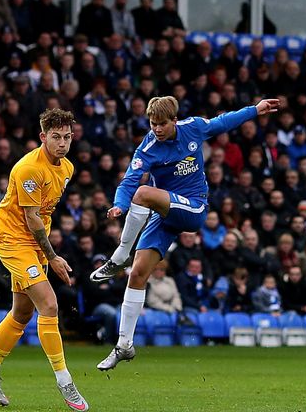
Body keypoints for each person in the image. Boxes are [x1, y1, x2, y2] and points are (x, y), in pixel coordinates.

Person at [89, 96, 279, 371]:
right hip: (164, 213)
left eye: (161, 124)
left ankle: (118, 256)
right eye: (153, 124)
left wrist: (254, 110)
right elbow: (129, 180)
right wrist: (119, 205)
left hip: (193, 207)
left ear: (174, 121)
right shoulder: (148, 147)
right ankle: (124, 345)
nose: (156, 129)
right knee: (139, 274)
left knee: (143, 194)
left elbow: (223, 122)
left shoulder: (193, 128)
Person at [0, 109, 88, 411]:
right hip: (13, 241)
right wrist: (53, 257)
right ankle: (65, 381)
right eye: (56, 137)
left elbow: (44, 216)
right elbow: (32, 218)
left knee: (21, 314)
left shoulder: (67, 168)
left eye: (67, 137)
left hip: (35, 244)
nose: (62, 143)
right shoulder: (27, 168)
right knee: (49, 304)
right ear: (43, 137)